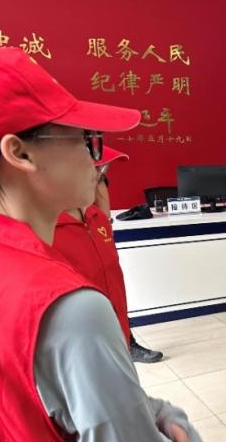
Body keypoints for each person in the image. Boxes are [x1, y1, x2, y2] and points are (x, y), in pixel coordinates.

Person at [0, 47, 203, 442]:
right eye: (85, 141)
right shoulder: (65, 305)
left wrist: (143, 406)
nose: (97, 159)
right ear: (18, 152)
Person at [52, 145, 165, 362]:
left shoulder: (97, 218)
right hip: (83, 343)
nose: (99, 177)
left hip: (113, 318)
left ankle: (128, 343)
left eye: (103, 172)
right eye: (97, 170)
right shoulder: (47, 228)